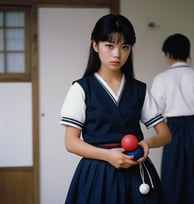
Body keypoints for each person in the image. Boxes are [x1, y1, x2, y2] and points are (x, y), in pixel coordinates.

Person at [60, 14, 171, 204]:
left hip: (137, 173)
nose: (117, 54)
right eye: (109, 45)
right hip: (97, 174)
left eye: (125, 47)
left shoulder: (139, 90)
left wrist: (147, 143)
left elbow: (165, 134)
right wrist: (108, 155)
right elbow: (71, 142)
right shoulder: (81, 89)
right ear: (95, 45)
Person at [150, 33, 194, 204]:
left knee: (173, 178)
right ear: (188, 53)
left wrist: (161, 134)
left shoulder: (161, 79)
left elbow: (154, 115)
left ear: (168, 54)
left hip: (171, 130)